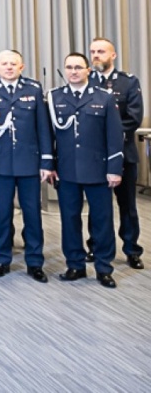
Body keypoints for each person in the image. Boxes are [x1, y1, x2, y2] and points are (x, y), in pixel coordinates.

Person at [0, 50, 52, 282]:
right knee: (1, 214)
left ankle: (35, 262)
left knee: (33, 214)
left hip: (29, 163)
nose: (9, 67)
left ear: (22, 67)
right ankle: (2, 259)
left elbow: (43, 128)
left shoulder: (33, 90)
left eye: (13, 64)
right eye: (4, 64)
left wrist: (46, 161)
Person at [50, 52, 123, 288]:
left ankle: (104, 268)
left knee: (102, 221)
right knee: (70, 220)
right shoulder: (54, 97)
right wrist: (49, 166)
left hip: (98, 170)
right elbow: (49, 136)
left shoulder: (104, 97)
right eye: (69, 67)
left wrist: (114, 168)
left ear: (88, 70)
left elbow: (114, 136)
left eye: (78, 67)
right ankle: (75, 265)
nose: (73, 71)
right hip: (66, 170)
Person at [89, 37, 144, 269]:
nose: (96, 55)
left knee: (127, 205)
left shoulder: (128, 82)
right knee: (97, 206)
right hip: (94, 157)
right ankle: (95, 246)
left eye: (101, 51)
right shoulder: (87, 81)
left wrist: (108, 136)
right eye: (93, 51)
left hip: (123, 154)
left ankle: (131, 249)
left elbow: (133, 117)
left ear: (113, 55)